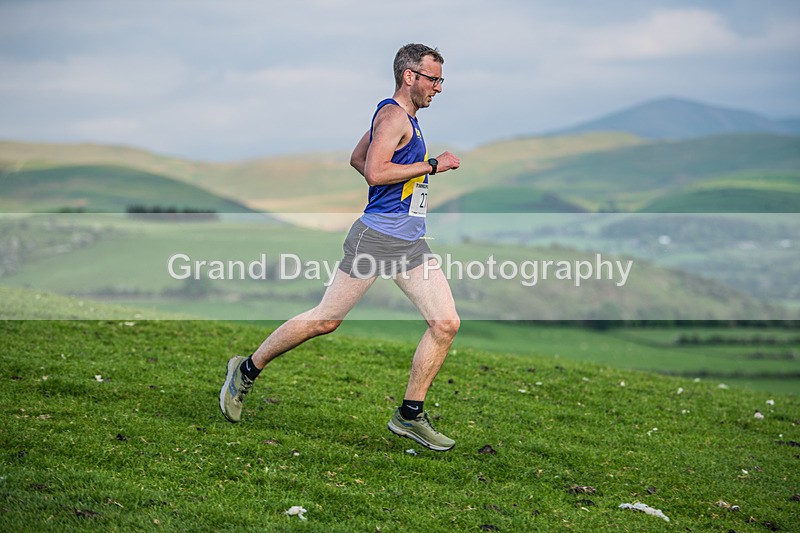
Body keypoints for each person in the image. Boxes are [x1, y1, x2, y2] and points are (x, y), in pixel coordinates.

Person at [220, 43, 461, 451]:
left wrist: (403, 188)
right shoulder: (392, 116)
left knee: (446, 323)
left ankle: (409, 414)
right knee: (325, 320)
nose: (438, 87)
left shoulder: (404, 118)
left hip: (408, 242)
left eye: (441, 80)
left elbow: (357, 157)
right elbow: (374, 171)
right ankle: (245, 369)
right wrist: (433, 166)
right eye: (433, 79)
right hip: (376, 238)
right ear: (410, 76)